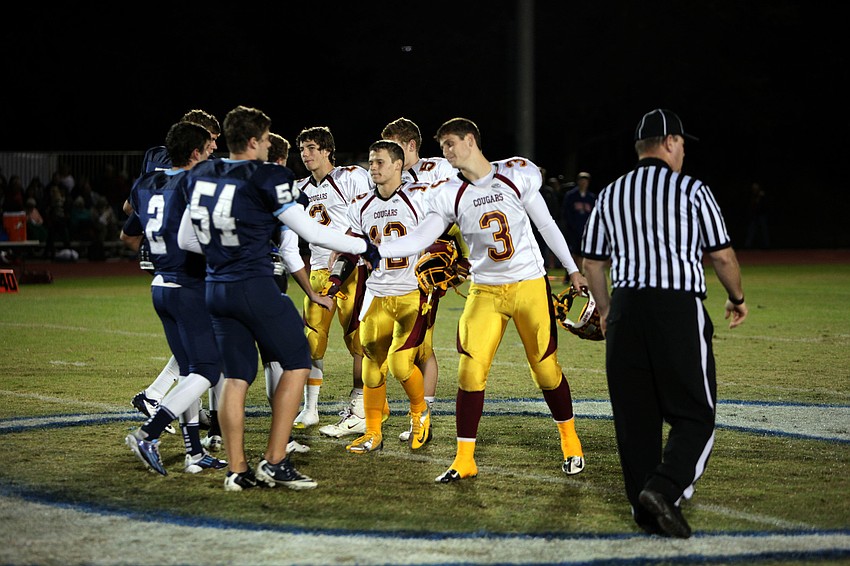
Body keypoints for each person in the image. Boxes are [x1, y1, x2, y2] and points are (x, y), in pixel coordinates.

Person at [373, 117, 588, 482]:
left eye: (449, 144)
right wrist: (374, 249)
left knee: (546, 370)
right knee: (470, 372)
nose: (445, 152)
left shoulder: (516, 173)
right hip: (485, 288)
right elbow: (420, 237)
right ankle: (464, 459)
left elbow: (547, 225)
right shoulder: (448, 192)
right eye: (442, 146)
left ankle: (570, 441)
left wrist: (573, 269)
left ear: (469, 141)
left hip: (528, 284)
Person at [177, 105, 376, 491]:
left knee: (235, 378)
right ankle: (275, 459)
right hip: (254, 284)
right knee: (298, 360)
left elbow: (186, 239)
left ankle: (237, 470)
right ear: (253, 142)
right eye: (267, 139)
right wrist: (362, 246)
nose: (270, 146)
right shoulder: (269, 175)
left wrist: (222, 253)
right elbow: (310, 232)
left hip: (216, 288)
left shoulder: (203, 173)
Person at [581, 108, 749, 538]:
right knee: (696, 413)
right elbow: (723, 255)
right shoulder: (691, 190)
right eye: (682, 143)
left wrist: (604, 310)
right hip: (677, 307)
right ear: (670, 142)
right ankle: (665, 487)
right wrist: (737, 298)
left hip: (625, 310)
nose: (684, 151)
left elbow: (593, 263)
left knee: (635, 420)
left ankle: (646, 514)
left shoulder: (610, 194)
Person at [122, 121, 227, 476]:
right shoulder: (193, 184)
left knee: (187, 371)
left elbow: (130, 228)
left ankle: (194, 453)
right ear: (195, 152)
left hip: (160, 285)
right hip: (187, 286)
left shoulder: (144, 183)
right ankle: (149, 434)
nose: (213, 153)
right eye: (208, 148)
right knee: (208, 369)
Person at [333, 140, 435, 454]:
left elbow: (448, 235)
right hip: (376, 296)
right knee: (371, 367)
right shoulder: (361, 205)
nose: (373, 167)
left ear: (397, 165)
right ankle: (373, 433)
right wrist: (336, 277)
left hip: (411, 294)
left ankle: (420, 414)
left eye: (379, 162)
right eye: (370, 161)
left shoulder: (421, 198)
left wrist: (454, 260)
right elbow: (350, 249)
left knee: (401, 364)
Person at [380, 117, 462, 442]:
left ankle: (421, 415)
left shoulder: (438, 170)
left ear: (411, 145)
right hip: (396, 271)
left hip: (426, 268)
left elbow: (458, 207)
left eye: (395, 146)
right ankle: (419, 413)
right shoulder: (391, 176)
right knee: (415, 344)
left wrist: (456, 248)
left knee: (416, 347)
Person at [292, 126, 377, 438]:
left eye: (312, 147)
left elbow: (371, 212)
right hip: (318, 271)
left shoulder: (351, 176)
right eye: (303, 149)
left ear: (328, 150)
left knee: (358, 341)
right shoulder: (299, 187)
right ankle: (311, 408)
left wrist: (350, 245)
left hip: (352, 270)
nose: (306, 154)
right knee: (312, 341)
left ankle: (359, 406)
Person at [560, 171, 595, 282]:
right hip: (573, 230)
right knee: (572, 253)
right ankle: (569, 274)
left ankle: (582, 274)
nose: (583, 183)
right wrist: (572, 226)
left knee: (583, 254)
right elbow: (567, 213)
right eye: (581, 180)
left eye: (585, 180)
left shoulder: (591, 197)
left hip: (586, 230)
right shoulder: (571, 196)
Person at [744, 181, 770, 249]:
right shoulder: (751, 195)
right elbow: (751, 205)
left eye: (756, 187)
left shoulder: (762, 195)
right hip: (754, 216)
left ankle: (766, 246)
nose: (755, 188)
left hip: (761, 215)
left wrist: (760, 197)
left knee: (764, 231)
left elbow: (765, 205)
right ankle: (747, 246)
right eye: (753, 187)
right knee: (751, 231)